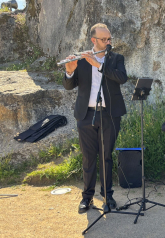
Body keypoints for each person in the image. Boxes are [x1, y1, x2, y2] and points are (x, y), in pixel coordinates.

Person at [63, 23, 128, 214]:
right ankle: (87, 198)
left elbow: (122, 77)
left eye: (109, 39)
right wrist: (69, 70)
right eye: (104, 39)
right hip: (86, 114)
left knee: (106, 157)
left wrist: (99, 65)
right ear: (93, 40)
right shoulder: (82, 59)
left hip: (109, 114)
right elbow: (69, 85)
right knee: (88, 158)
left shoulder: (116, 58)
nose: (108, 42)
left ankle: (108, 196)